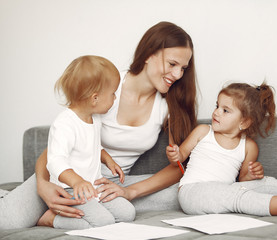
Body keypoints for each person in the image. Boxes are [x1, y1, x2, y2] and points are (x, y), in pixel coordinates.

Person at [0, 21, 198, 229]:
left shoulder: (169, 104)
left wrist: (131, 192)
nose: (177, 75)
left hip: (111, 184)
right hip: (69, 176)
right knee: (8, 221)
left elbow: (178, 167)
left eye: (183, 68)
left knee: (181, 195)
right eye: (172, 64)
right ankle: (43, 212)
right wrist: (43, 185)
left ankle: (89, 206)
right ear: (149, 54)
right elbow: (57, 146)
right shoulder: (108, 87)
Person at [166, 82, 277, 217]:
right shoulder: (203, 131)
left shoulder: (248, 146)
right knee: (236, 195)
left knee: (266, 183)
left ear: (244, 122)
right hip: (192, 194)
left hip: (226, 189)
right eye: (217, 106)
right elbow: (180, 156)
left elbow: (243, 180)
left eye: (225, 110)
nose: (216, 112)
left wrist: (252, 175)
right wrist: (175, 154)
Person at [39, 55, 136, 229]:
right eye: (113, 93)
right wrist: (76, 181)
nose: (115, 98)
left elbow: (93, 147)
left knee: (127, 213)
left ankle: (91, 209)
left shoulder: (94, 118)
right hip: (70, 190)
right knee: (102, 222)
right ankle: (50, 219)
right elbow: (55, 161)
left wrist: (108, 159)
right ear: (95, 98)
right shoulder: (65, 124)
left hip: (91, 187)